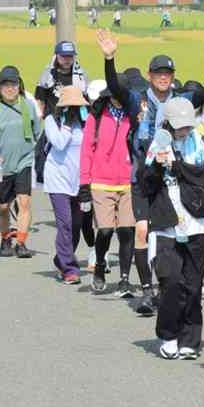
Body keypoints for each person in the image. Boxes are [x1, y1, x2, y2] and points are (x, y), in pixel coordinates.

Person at [96, 29, 204, 314]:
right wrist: (109, 58)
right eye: (158, 72)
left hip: (175, 180)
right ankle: (146, 291)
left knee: (172, 235)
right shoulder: (136, 99)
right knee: (141, 231)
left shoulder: (181, 100)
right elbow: (115, 88)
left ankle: (175, 284)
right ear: (150, 74)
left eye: (167, 72)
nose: (163, 77)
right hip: (143, 176)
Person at [139, 97, 204, 359]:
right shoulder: (156, 146)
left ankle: (190, 340)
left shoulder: (200, 143)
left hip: (197, 223)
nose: (184, 130)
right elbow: (146, 186)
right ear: (167, 124)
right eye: (179, 126)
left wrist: (178, 167)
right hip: (166, 225)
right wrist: (156, 166)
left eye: (187, 125)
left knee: (193, 286)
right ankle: (168, 334)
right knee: (171, 282)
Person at [78, 72, 138, 297]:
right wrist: (84, 185)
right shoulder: (97, 116)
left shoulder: (132, 116)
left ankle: (124, 279)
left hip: (128, 182)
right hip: (100, 182)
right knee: (104, 231)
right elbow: (86, 151)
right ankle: (100, 264)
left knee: (126, 231)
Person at [0, 66, 41, 258]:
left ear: (19, 86)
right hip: (1, 164)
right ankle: (5, 237)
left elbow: (38, 133)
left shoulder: (28, 105)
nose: (10, 88)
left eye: (13, 84)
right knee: (4, 205)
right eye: (5, 85)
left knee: (24, 202)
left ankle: (21, 242)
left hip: (25, 160)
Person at [44, 86, 89, 285]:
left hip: (79, 180)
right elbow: (59, 143)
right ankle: (69, 268)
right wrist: (68, 126)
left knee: (77, 226)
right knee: (65, 224)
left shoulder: (86, 123)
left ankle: (60, 258)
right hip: (57, 179)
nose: (74, 109)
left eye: (77, 106)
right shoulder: (51, 121)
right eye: (70, 106)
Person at [35, 40, 88, 119]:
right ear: (56, 56)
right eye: (63, 56)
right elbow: (40, 100)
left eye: (70, 56)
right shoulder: (47, 76)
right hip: (52, 119)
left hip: (75, 120)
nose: (67, 59)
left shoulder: (82, 75)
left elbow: (87, 99)